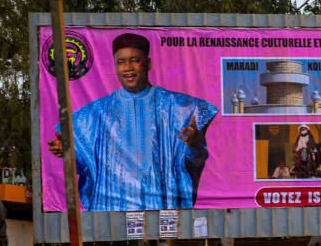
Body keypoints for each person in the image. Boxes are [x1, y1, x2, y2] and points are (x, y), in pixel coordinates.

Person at [47, 32, 218, 210]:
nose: (128, 67)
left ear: (148, 64)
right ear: (114, 67)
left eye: (135, 60)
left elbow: (195, 159)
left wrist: (194, 144)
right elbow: (85, 161)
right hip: (111, 213)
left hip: (159, 210)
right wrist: (68, 151)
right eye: (121, 62)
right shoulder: (97, 112)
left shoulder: (177, 107)